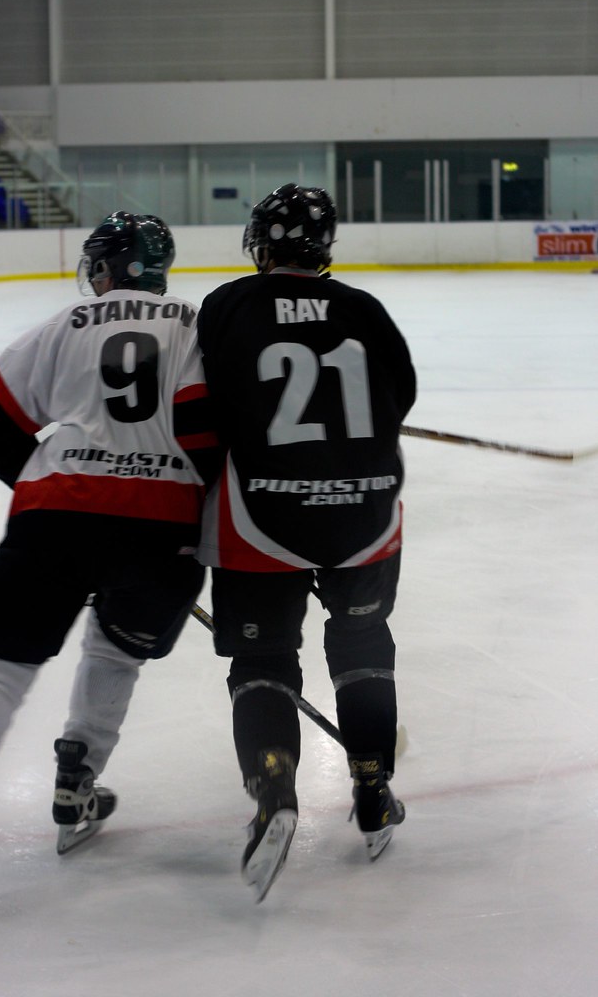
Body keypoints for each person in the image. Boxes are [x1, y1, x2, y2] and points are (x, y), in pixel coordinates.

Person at [0, 211, 219, 878]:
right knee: (114, 653)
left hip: (55, 510)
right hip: (159, 523)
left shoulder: (61, 327)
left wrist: (43, 485)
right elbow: (202, 433)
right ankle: (75, 779)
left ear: (111, 267)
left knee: (0, 661)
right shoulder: (193, 324)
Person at [196, 183, 417, 901]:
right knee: (360, 642)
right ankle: (373, 787)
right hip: (365, 514)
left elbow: (203, 410)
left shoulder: (228, 305)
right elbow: (400, 395)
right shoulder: (364, 310)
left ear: (261, 241)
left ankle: (272, 793)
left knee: (262, 655)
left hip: (265, 517)